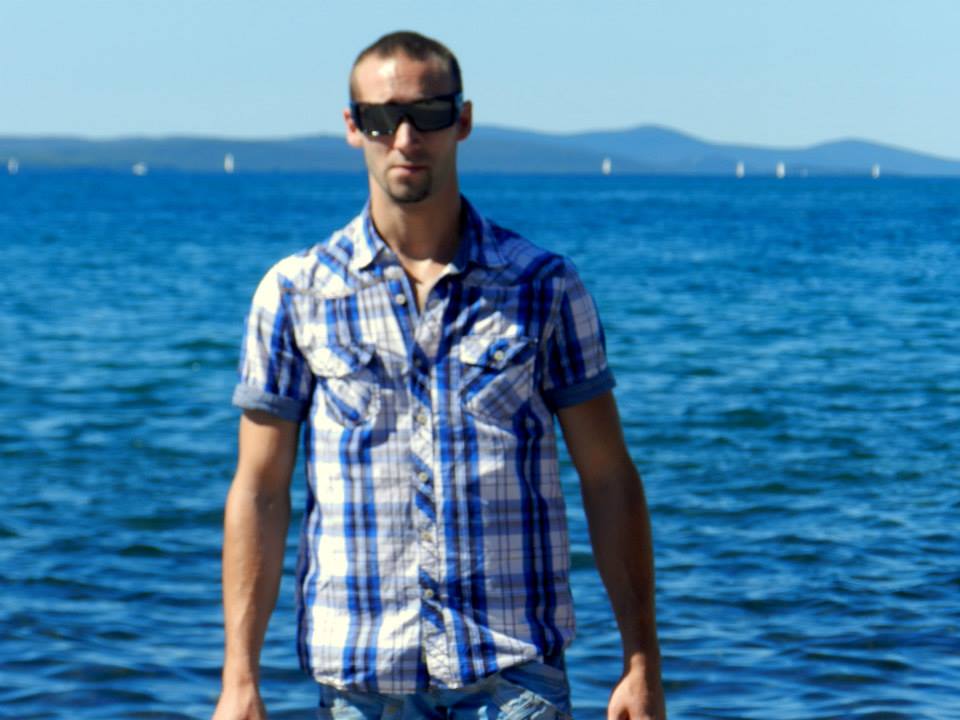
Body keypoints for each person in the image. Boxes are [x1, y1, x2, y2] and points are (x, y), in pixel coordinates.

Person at [213, 30, 665, 720]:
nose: (405, 138)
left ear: (463, 120)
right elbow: (259, 489)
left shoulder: (544, 287)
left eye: (427, 114)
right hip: (361, 683)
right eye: (380, 118)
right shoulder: (296, 293)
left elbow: (608, 478)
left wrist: (641, 664)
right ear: (352, 127)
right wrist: (239, 678)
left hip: (513, 679)